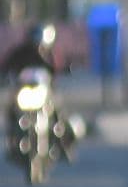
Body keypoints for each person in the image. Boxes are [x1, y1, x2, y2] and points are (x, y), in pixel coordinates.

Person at [1, 23, 75, 161]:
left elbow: (59, 67)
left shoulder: (50, 53)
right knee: (11, 108)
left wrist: (65, 69)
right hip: (24, 90)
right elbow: (7, 64)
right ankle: (11, 139)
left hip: (45, 91)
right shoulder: (20, 51)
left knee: (57, 111)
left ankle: (63, 143)